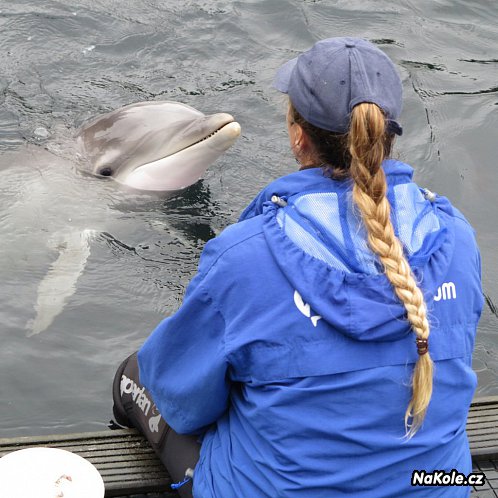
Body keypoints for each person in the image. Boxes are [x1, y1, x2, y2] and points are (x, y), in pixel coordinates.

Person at [112, 37, 483, 497]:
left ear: (297, 134)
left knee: (136, 374)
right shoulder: (456, 234)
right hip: (442, 486)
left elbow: (183, 404)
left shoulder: (244, 256)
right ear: (389, 134)